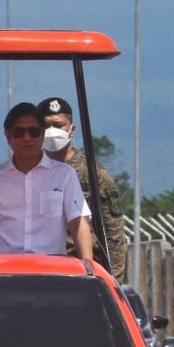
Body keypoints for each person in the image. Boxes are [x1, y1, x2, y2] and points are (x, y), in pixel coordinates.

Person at [0, 102, 93, 260]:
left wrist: (88, 268)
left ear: (43, 135)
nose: (26, 138)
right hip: (2, 271)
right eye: (19, 132)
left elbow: (78, 222)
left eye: (34, 132)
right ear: (7, 135)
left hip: (51, 271)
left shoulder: (64, 174)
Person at [36, 97, 127, 280]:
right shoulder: (31, 173)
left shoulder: (92, 174)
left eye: (58, 125)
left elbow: (114, 232)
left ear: (71, 129)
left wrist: (113, 280)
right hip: (41, 269)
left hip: (80, 272)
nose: (52, 132)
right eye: (46, 127)